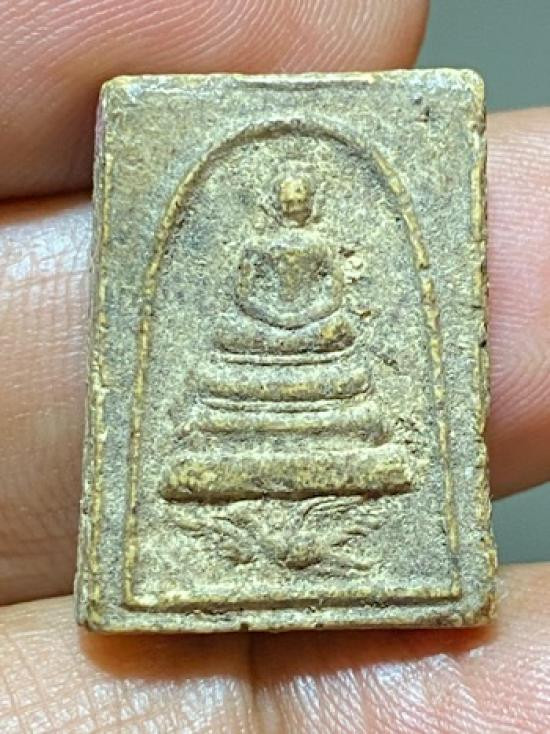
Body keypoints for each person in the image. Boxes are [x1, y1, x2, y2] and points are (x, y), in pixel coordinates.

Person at [1, 1, 549, 731]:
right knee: (229, 354)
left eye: (301, 196)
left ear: (308, 204)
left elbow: (329, 300)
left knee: (346, 364)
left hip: (316, 345)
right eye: (285, 195)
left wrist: (310, 325)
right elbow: (243, 299)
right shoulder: (258, 246)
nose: (293, 204)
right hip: (257, 344)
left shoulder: (317, 246)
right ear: (273, 201)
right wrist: (273, 325)